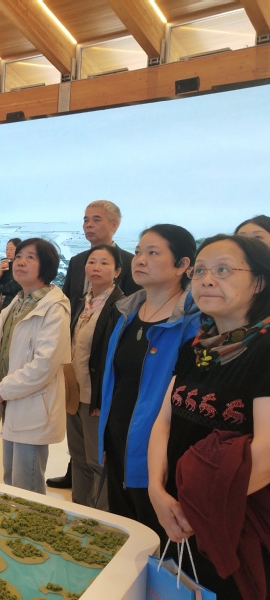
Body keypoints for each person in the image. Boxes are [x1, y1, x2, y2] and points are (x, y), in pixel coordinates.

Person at [148, 235, 270, 599]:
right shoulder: (198, 347)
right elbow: (165, 421)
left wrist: (199, 509)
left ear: (259, 282)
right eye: (199, 271)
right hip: (182, 513)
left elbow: (267, 450)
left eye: (223, 270)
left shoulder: (264, 349)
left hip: (233, 519)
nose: (207, 280)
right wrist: (156, 490)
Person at [98, 224, 199, 536]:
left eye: (153, 253)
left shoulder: (192, 325)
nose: (140, 260)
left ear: (182, 265)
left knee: (155, 538)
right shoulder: (126, 314)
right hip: (118, 440)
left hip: (158, 451)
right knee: (124, 533)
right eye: (138, 251)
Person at [50, 199, 140, 490]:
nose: (88, 225)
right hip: (76, 364)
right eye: (86, 219)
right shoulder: (78, 261)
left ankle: (96, 499)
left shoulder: (129, 262)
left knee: (97, 452)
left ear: (114, 224)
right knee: (78, 443)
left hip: (103, 370)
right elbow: (68, 304)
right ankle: (75, 477)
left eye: (96, 219)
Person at [0, 238, 70, 493]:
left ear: (47, 266)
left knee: (27, 488)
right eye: (19, 256)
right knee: (11, 480)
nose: (20, 262)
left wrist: (2, 389)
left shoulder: (54, 308)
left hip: (33, 407)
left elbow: (44, 365)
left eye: (30, 257)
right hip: (12, 403)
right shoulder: (17, 302)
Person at [67, 244, 124, 508]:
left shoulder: (120, 307)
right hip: (74, 392)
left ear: (117, 271)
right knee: (77, 456)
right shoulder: (82, 301)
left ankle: (101, 517)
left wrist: (104, 399)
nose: (96, 267)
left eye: (104, 262)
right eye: (92, 262)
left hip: (97, 396)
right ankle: (79, 510)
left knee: (97, 460)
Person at [0, 237, 22, 309]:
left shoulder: (21, 267)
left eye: (11, 249)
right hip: (0, 300)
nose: (8, 252)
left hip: (12, 302)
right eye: (7, 249)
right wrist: (0, 273)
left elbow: (9, 288)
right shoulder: (6, 265)